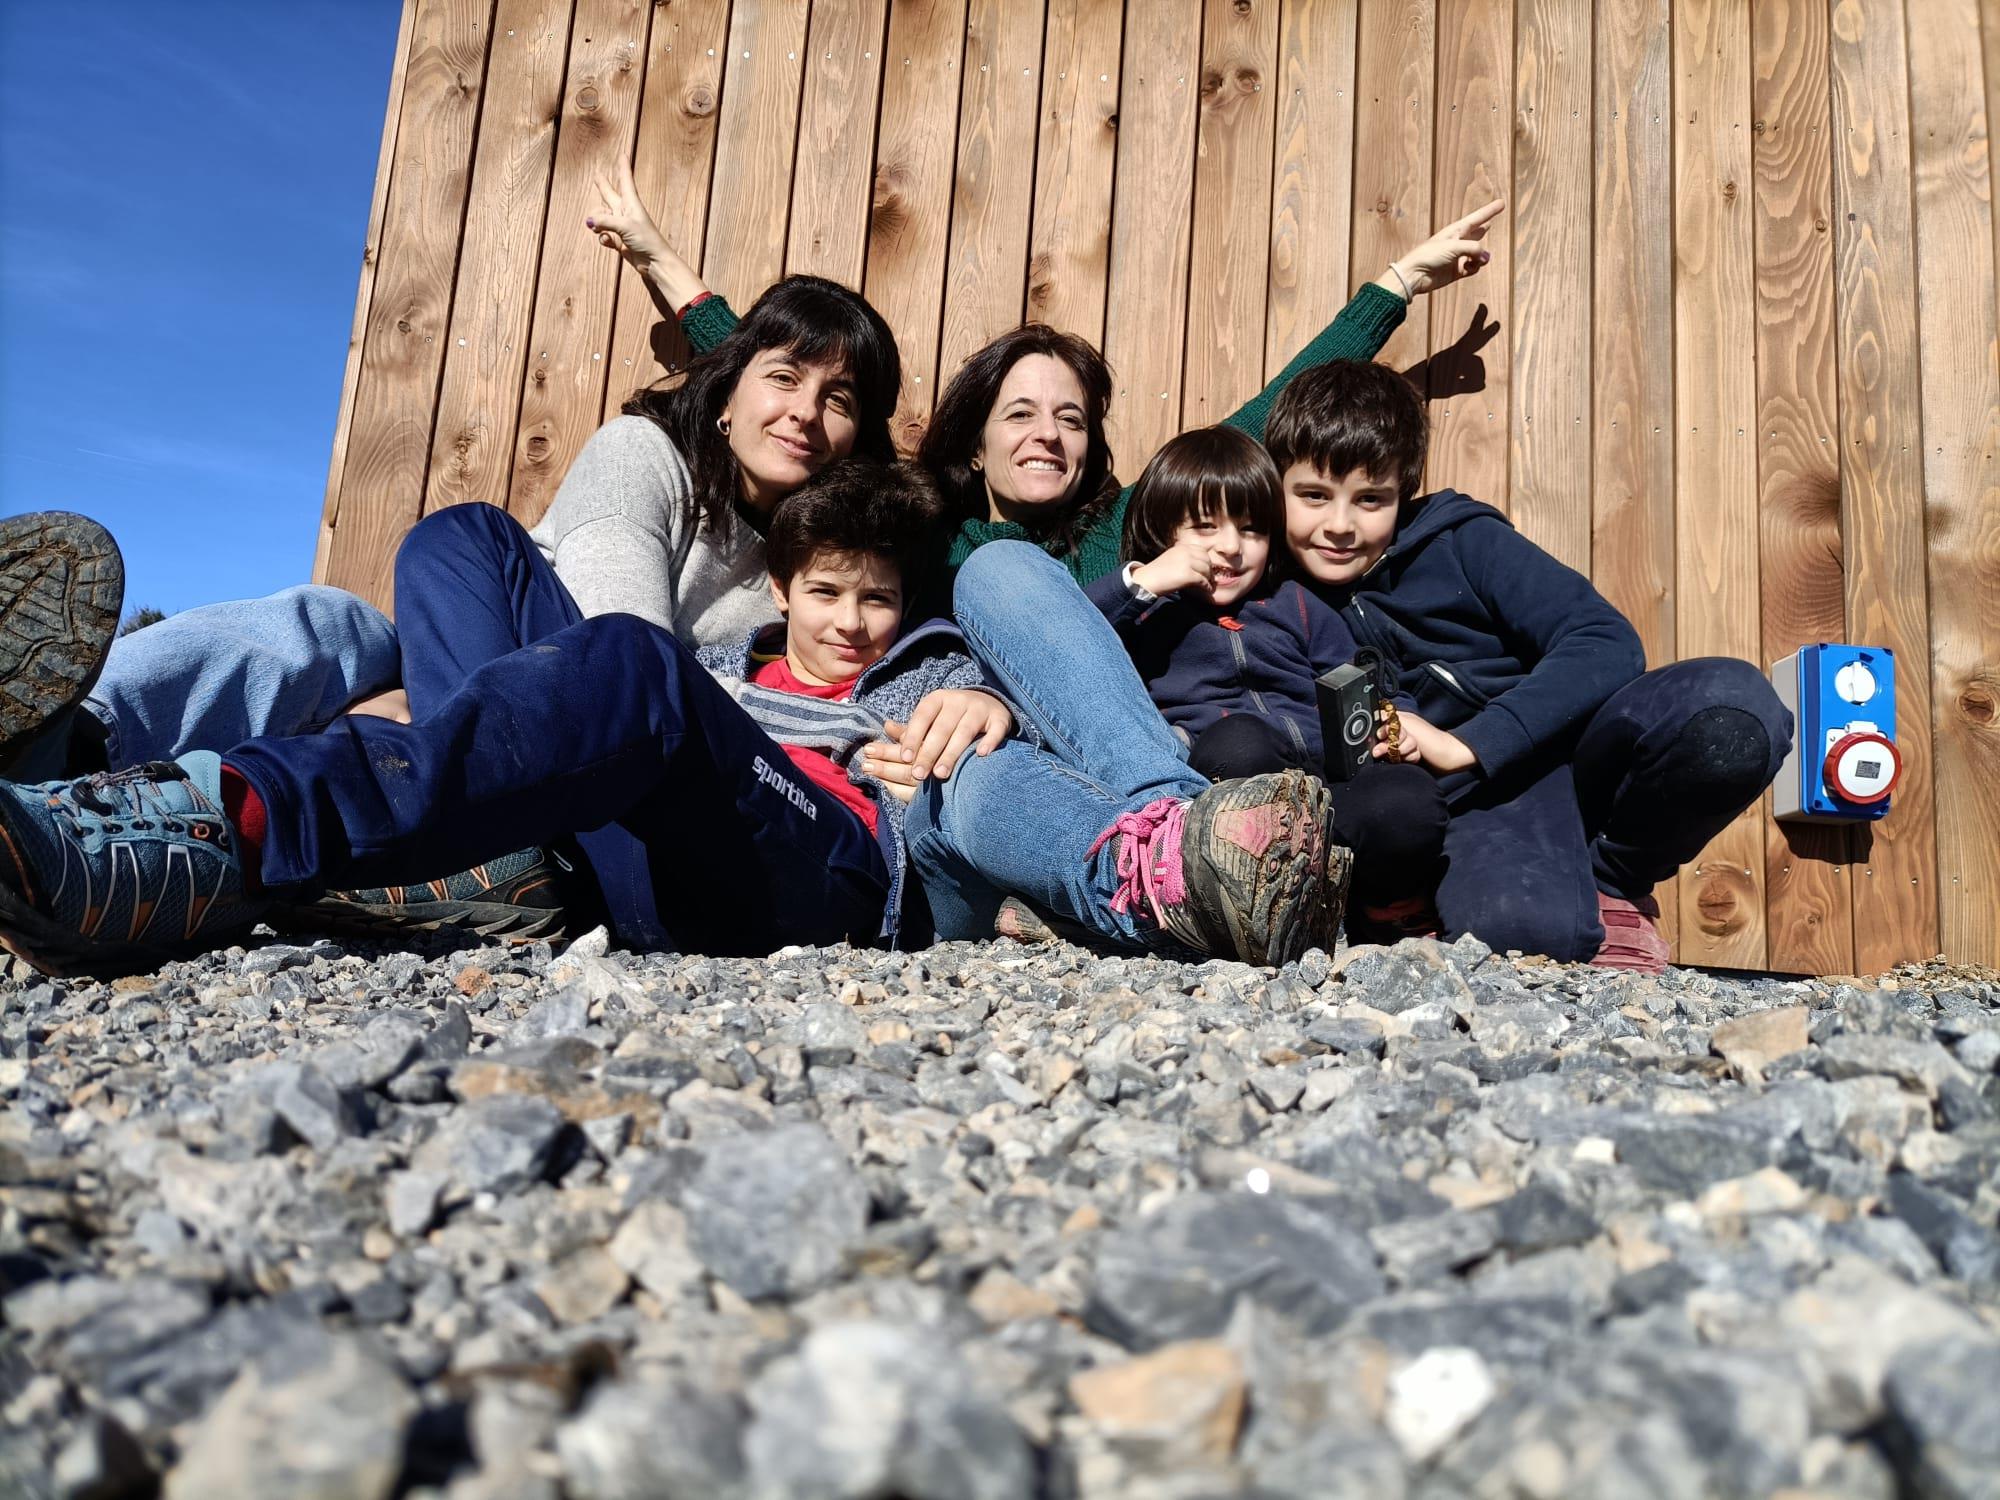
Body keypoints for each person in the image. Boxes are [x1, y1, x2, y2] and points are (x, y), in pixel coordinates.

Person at [0, 465, 1341, 977]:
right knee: (466, 536)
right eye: (828, 593)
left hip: (834, 862)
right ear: (780, 589)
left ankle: (218, 826)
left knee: (635, 668)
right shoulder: (724, 665)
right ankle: (495, 852)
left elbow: (998, 750)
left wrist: (980, 696)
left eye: (879, 597)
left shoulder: (921, 668)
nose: (853, 622)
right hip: (625, 821)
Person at [588, 157, 1504, 595]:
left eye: (1070, 419)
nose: (1047, 435)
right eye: (1020, 413)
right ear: (975, 443)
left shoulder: (1127, 525)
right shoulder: (923, 526)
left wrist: (1397, 285)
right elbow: (778, 384)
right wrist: (660, 261)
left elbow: (1261, 419)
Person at [1269, 360, 1794, 970]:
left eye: (1370, 500)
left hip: (1558, 759)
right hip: (1472, 810)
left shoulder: (1462, 541)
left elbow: (1605, 641)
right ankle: (1522, 895)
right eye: (1314, 496)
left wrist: (1467, 743)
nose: (1339, 526)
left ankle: (1613, 880)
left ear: (1403, 493)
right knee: (1522, 938)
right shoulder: (1271, 592)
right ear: (1276, 487)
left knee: (1733, 711)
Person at [1082, 426, 1447, 938]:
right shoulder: (1145, 616)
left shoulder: (1295, 604)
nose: (1231, 547)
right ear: (1163, 531)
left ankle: (1382, 906)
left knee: (1406, 799)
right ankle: (1263, 908)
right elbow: (1066, 640)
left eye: (1251, 529)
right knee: (1241, 741)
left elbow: (1362, 682)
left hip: (1325, 789)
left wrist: (1393, 726)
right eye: (1204, 527)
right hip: (1225, 798)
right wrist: (1141, 583)